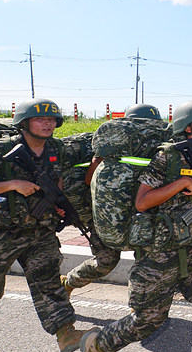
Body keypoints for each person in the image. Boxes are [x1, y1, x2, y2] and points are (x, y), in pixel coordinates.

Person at [79, 99, 192, 352]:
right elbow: (142, 201)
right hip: (160, 250)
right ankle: (97, 346)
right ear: (187, 128)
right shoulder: (168, 157)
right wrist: (179, 184)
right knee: (148, 320)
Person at [0, 99, 86, 352]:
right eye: (40, 119)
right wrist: (12, 185)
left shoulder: (56, 147)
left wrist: (56, 202)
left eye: (52, 120)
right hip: (0, 233)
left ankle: (66, 333)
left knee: (49, 282)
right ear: (24, 123)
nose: (48, 124)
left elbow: (58, 177)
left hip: (40, 229)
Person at [61, 104, 161, 297]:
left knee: (144, 259)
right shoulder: (112, 147)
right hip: (105, 211)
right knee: (106, 260)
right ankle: (68, 283)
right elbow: (90, 179)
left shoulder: (159, 152)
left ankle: (139, 306)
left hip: (141, 212)